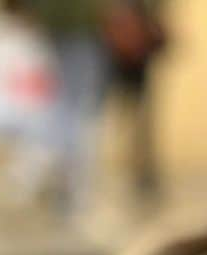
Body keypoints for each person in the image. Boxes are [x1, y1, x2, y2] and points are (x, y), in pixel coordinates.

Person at [0, 0, 61, 210]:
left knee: (44, 150)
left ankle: (16, 188)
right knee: (42, 150)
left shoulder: (29, 34)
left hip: (22, 106)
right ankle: (14, 188)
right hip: (6, 107)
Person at [22, 0, 112, 216]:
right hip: (77, 33)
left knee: (66, 112)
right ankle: (64, 186)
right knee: (77, 115)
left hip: (66, 32)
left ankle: (54, 182)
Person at [103, 0, 167, 201]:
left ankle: (139, 169)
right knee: (131, 120)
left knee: (138, 121)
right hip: (125, 62)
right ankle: (133, 168)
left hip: (135, 62)